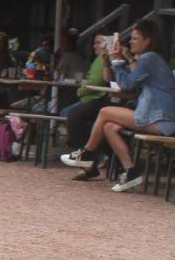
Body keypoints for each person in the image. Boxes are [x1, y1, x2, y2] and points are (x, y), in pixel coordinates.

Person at [62, 19, 175, 191]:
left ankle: (87, 153)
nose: (130, 41)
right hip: (157, 117)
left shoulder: (150, 59)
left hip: (160, 119)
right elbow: (132, 86)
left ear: (148, 40)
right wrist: (120, 61)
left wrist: (116, 61)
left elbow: (127, 84)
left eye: (135, 38)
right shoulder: (151, 59)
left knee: (105, 111)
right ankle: (131, 172)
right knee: (109, 126)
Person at [59, 33, 117, 180]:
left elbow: (97, 83)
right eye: (94, 42)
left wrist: (81, 90)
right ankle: (90, 155)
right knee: (70, 113)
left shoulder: (106, 58)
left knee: (73, 114)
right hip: (95, 97)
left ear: (107, 44)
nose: (94, 45)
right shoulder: (99, 59)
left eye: (98, 42)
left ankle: (88, 157)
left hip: (100, 98)